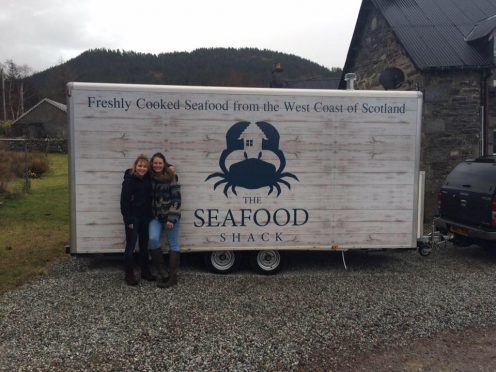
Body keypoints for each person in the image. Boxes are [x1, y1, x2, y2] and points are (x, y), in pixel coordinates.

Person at [120, 154, 156, 286]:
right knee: (130, 247)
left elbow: (160, 167)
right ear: (135, 166)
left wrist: (169, 166)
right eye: (140, 166)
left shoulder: (148, 178)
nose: (142, 168)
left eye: (145, 166)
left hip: (145, 218)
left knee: (144, 246)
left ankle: (145, 272)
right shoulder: (129, 180)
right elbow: (124, 202)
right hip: (133, 219)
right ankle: (129, 274)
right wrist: (128, 220)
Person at [148, 152, 182, 288]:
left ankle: (173, 277)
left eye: (160, 163)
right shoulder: (149, 177)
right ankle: (163, 272)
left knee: (173, 244)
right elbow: (130, 173)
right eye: (155, 163)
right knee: (153, 239)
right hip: (155, 217)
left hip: (170, 217)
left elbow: (177, 200)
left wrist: (171, 219)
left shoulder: (172, 177)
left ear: (164, 164)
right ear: (152, 164)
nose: (157, 165)